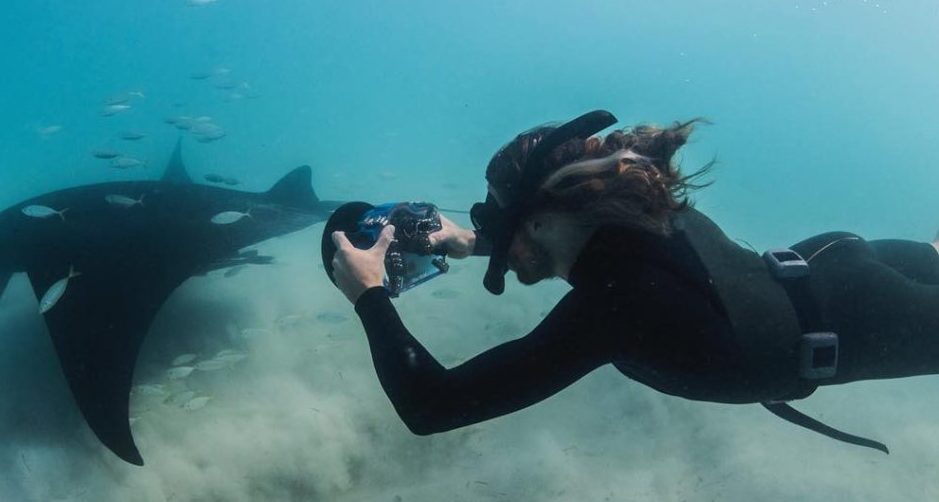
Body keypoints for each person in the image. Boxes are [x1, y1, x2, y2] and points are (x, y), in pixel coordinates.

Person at [330, 109, 939, 453]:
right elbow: (549, 237)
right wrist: (467, 242)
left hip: (863, 316)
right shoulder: (638, 219)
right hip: (834, 266)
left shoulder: (615, 307)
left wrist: (370, 296)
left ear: (542, 218)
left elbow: (432, 406)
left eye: (493, 216)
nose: (487, 228)